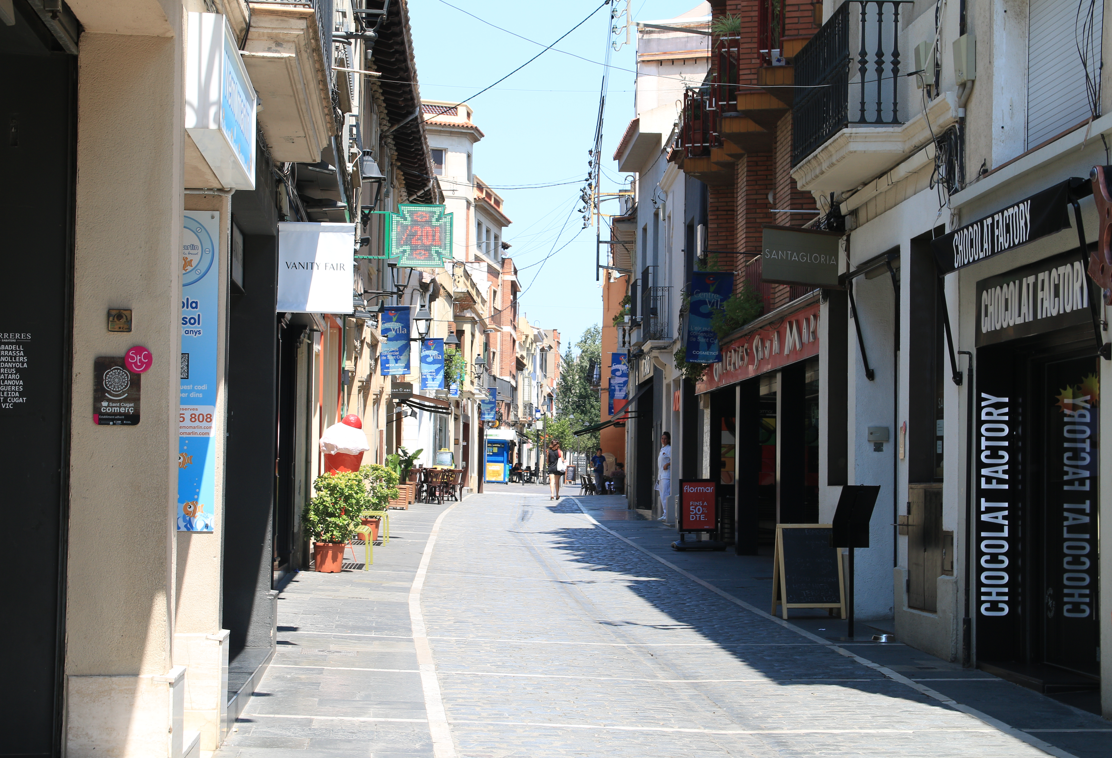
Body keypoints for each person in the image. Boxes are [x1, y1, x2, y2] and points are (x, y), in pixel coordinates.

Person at [656, 431, 671, 521]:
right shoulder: (662, 449)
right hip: (661, 475)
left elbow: (675, 458)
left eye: (665, 439)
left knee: (665, 495)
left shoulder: (669, 449)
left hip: (666, 475)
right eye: (662, 438)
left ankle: (667, 513)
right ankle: (664, 513)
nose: (663, 440)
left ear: (668, 440)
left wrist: (668, 464)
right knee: (662, 495)